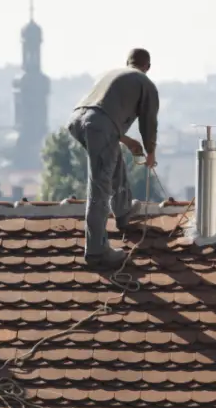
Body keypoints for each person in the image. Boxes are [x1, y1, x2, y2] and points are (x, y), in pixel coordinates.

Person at [67, 48, 159, 267]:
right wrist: (151, 152)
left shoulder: (111, 74)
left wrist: (127, 141)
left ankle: (123, 209)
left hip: (77, 119)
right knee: (100, 184)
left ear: (127, 62)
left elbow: (99, 115)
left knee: (112, 157)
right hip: (99, 124)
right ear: (148, 67)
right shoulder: (144, 83)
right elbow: (149, 122)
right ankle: (97, 250)